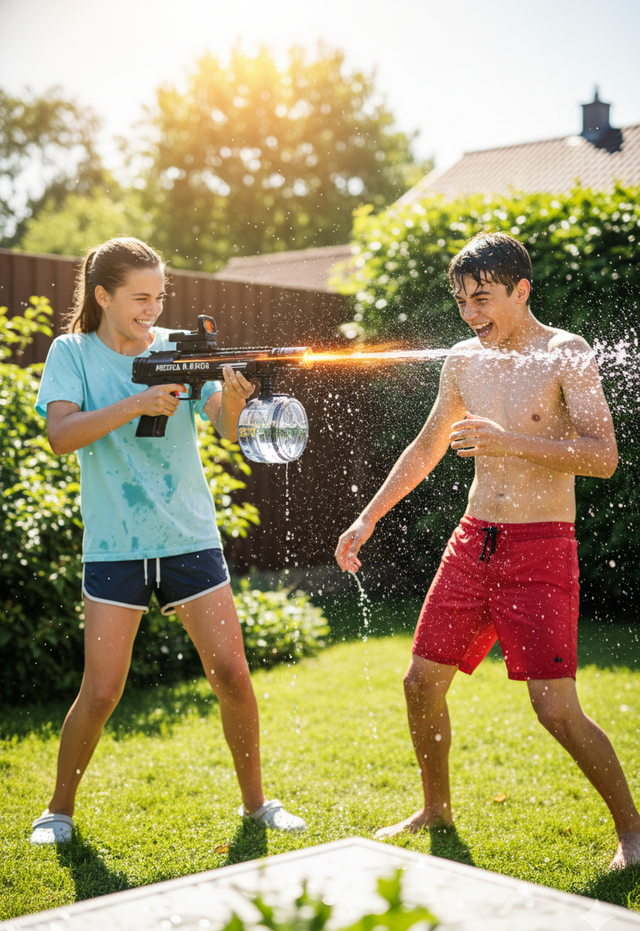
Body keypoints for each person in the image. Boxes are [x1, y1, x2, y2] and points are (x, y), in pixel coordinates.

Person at [335, 232, 640, 869]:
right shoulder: (463, 361)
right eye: (461, 302)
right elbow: (425, 447)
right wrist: (367, 517)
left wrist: (508, 442)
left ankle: (633, 832)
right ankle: (435, 810)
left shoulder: (567, 355)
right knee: (420, 683)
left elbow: (603, 457)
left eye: (483, 299)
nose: (471, 315)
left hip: (540, 547)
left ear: (521, 290)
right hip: (473, 542)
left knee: (554, 711)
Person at [30, 237, 306, 845]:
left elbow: (227, 429)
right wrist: (136, 404)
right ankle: (57, 811)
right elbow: (61, 435)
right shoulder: (71, 352)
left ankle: (257, 805)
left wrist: (234, 399)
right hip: (115, 544)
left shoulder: (181, 348)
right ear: (102, 295)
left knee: (232, 674)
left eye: (159, 296)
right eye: (139, 297)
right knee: (101, 691)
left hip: (189, 538)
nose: (152, 309)